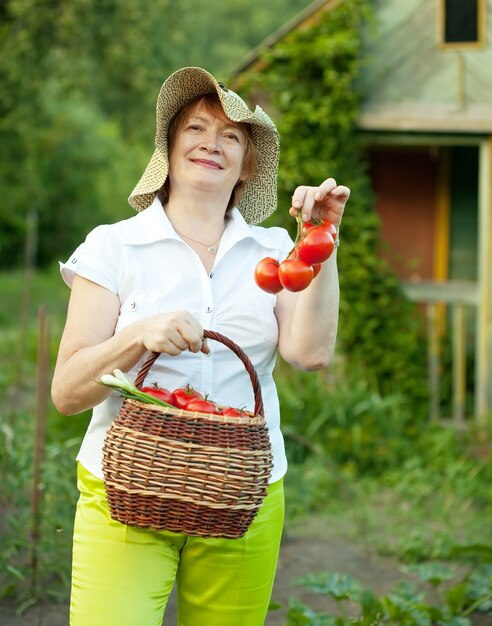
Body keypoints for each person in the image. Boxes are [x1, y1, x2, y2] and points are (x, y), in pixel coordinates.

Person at [51, 66, 350, 626]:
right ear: (169, 147)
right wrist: (136, 336)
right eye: (195, 128)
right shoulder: (114, 247)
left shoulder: (275, 247)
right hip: (126, 491)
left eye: (231, 136)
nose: (212, 143)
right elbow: (66, 392)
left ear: (246, 166)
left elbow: (309, 354)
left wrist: (323, 241)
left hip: (242, 496)